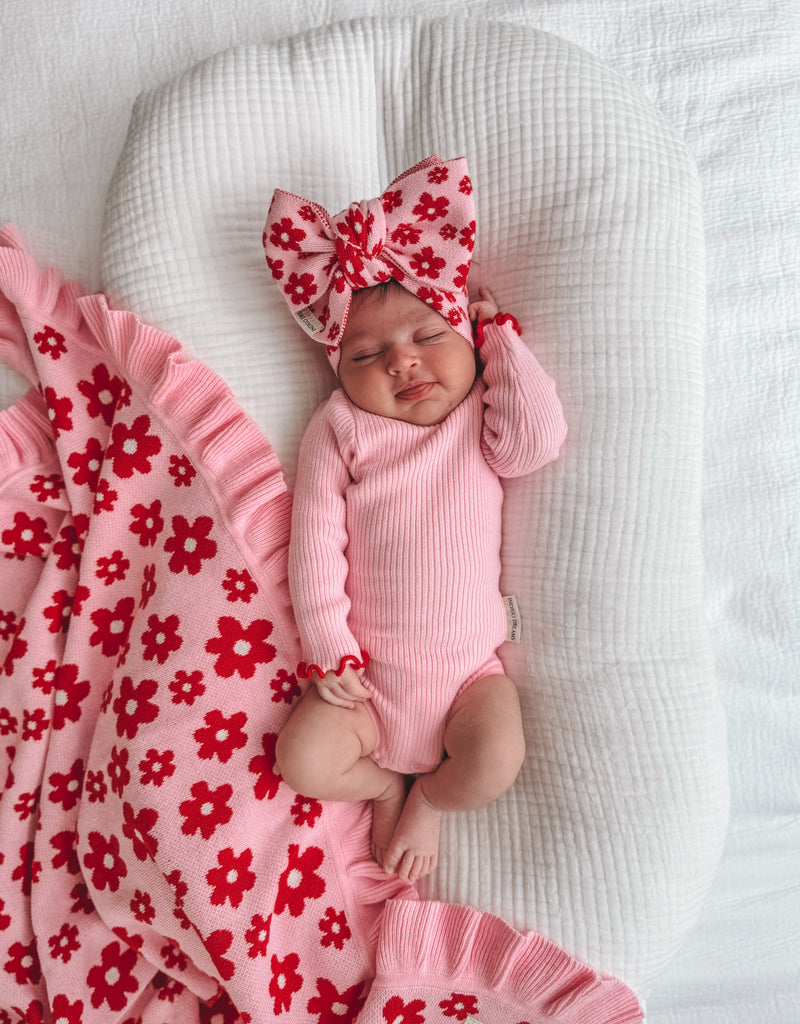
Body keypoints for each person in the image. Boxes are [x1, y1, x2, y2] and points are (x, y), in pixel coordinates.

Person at [263, 155, 567, 881]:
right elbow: (313, 548)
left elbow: (536, 442)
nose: (402, 363)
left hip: (469, 677)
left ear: (464, 339)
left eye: (429, 338)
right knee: (300, 760)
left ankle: (427, 797)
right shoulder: (340, 429)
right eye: (369, 354)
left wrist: (504, 346)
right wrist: (328, 646)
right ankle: (379, 784)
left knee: (495, 759)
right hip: (366, 685)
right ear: (339, 368)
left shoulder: (476, 416)